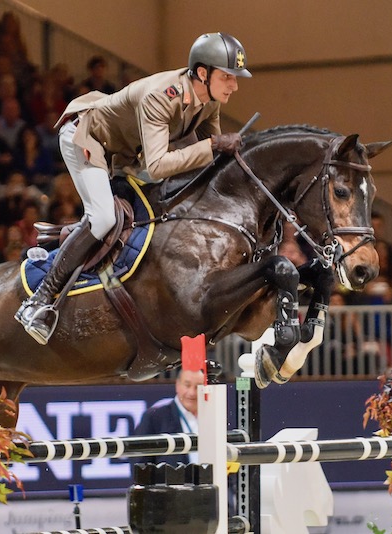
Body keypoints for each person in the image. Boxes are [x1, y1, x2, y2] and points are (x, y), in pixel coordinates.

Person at [16, 32, 250, 344]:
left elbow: (210, 160)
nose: (234, 85)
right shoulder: (160, 95)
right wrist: (214, 144)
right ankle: (39, 301)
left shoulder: (208, 101)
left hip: (122, 154)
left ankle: (56, 241)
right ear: (203, 73)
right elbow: (159, 165)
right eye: (227, 77)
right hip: (86, 140)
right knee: (102, 219)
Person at [132, 368, 205, 465]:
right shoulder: (155, 418)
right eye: (187, 385)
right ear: (177, 385)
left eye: (198, 387)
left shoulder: (214, 417)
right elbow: (139, 464)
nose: (192, 393)